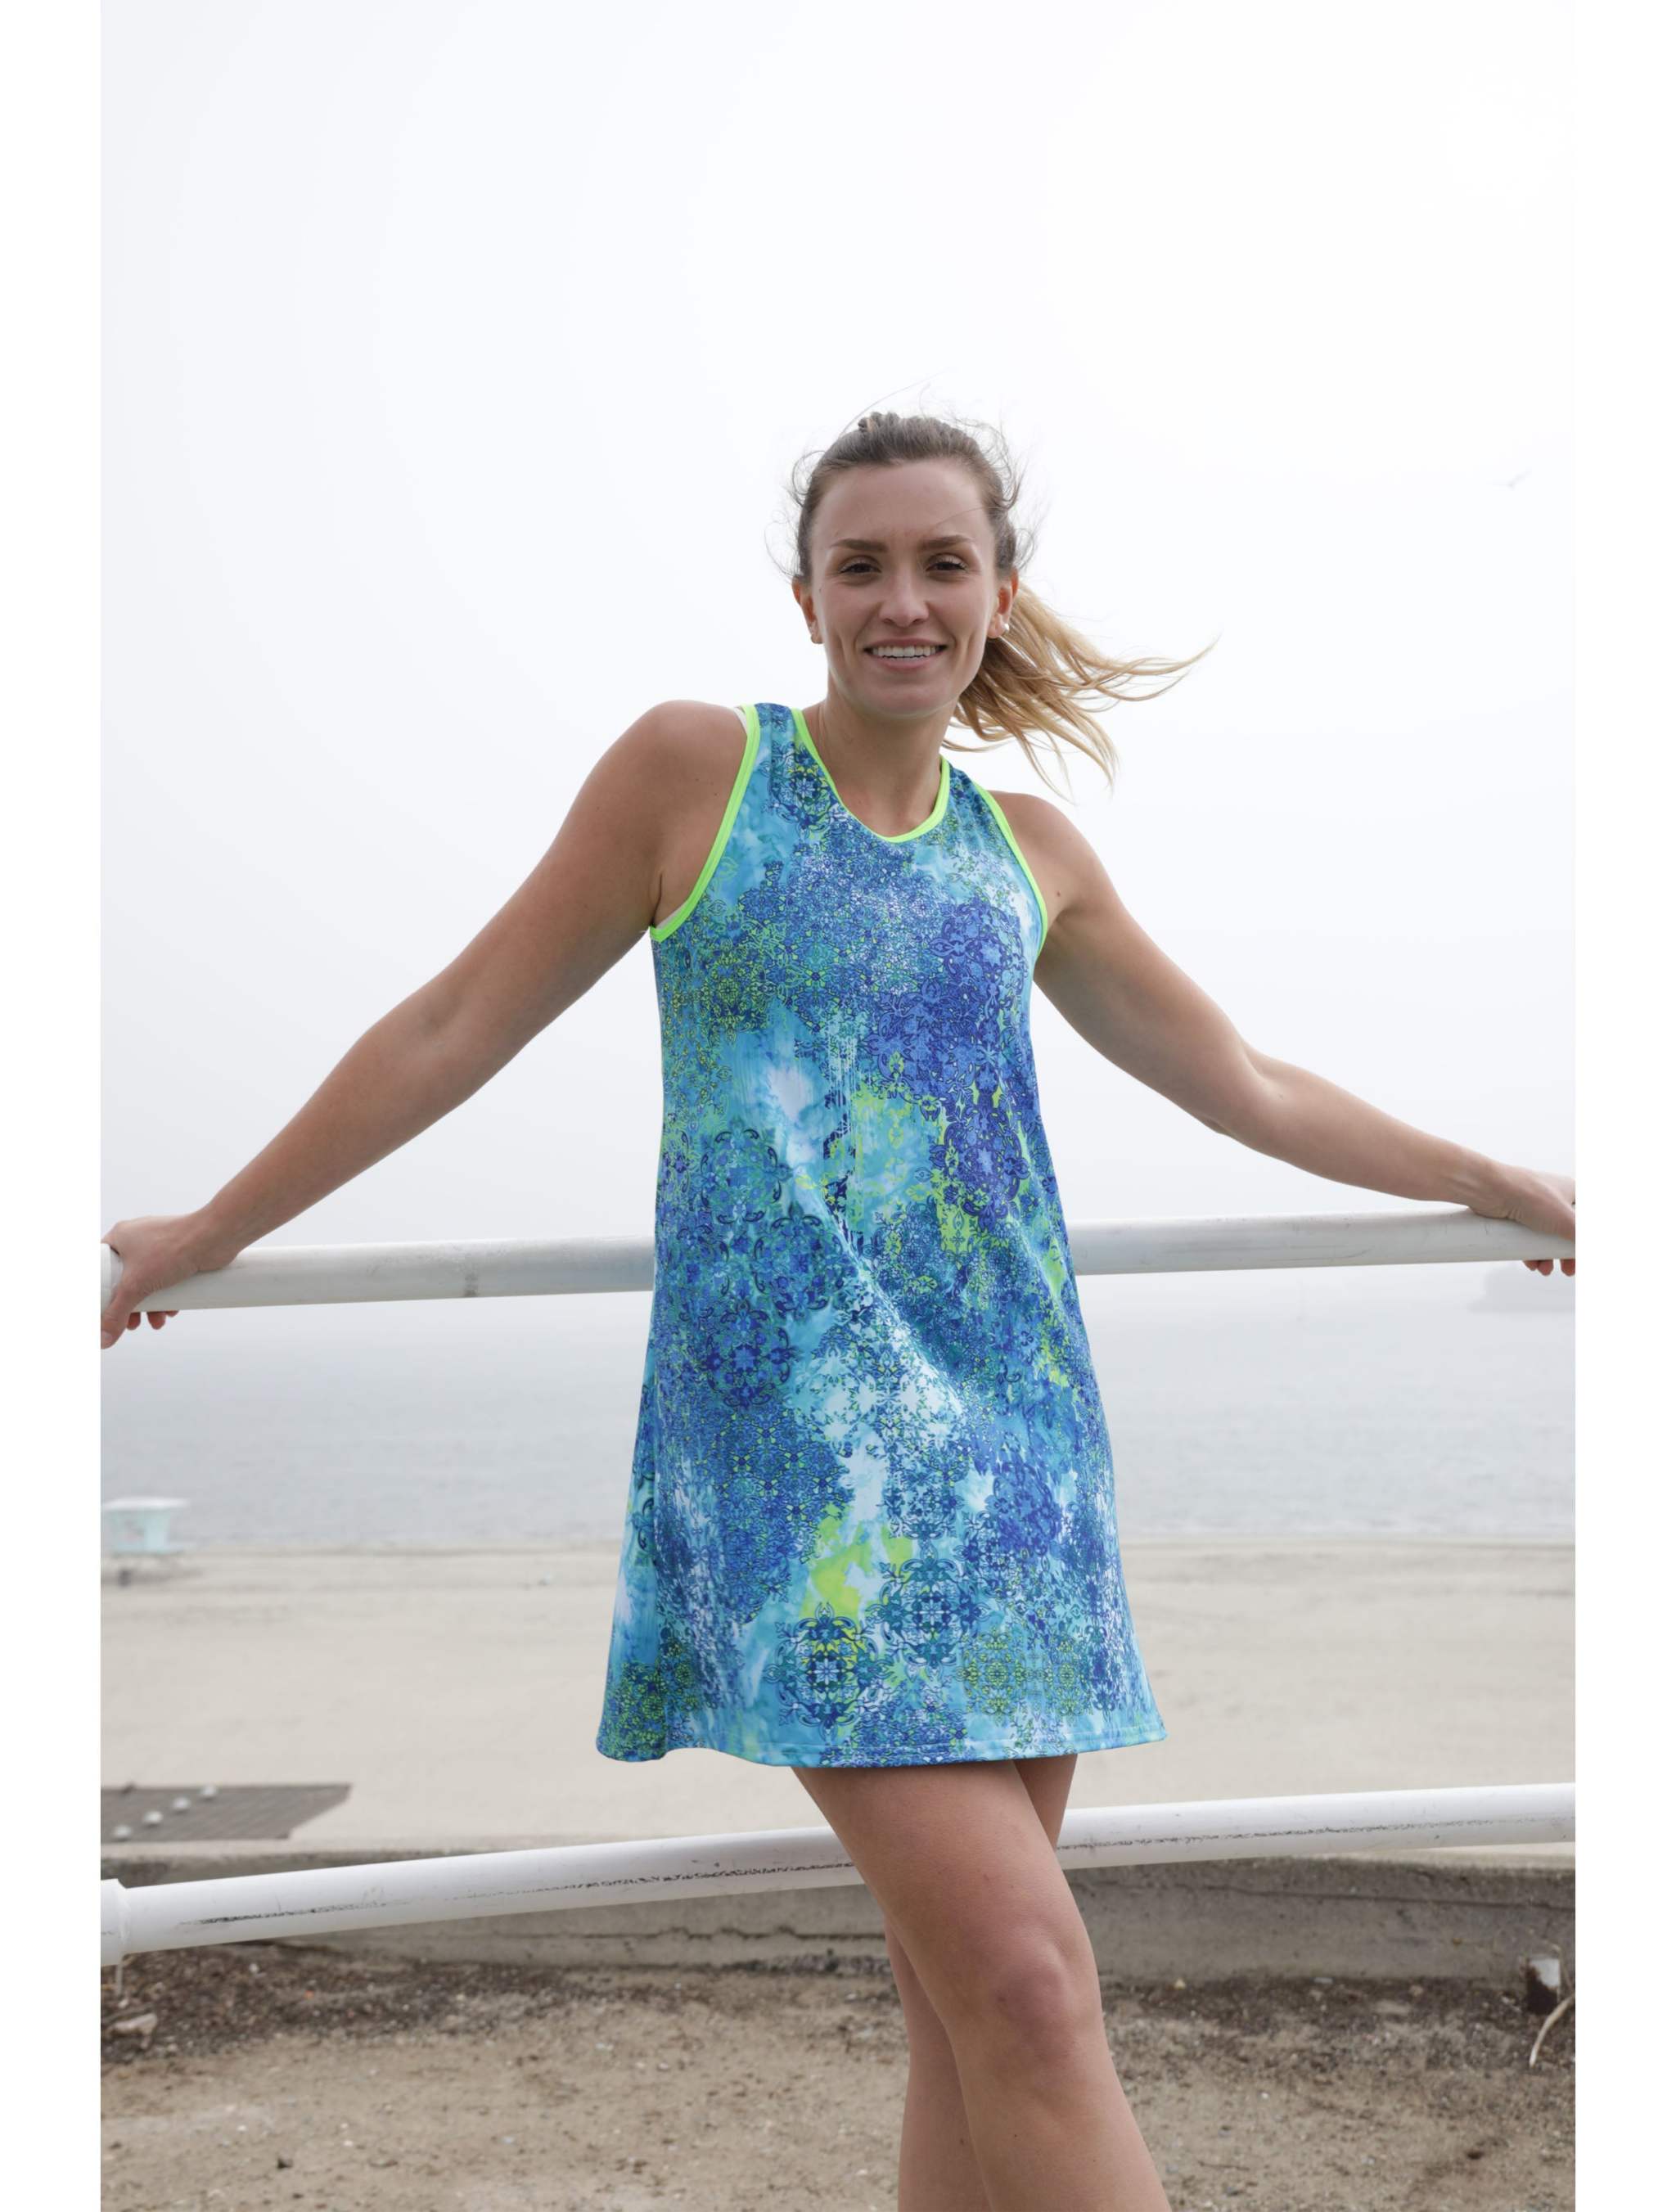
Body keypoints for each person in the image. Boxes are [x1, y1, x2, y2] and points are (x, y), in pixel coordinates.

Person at [101, 407, 1576, 2210]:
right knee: (1032, 1984)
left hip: (1014, 1459)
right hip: (803, 1477)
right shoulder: (692, 772)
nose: (901, 599)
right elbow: (447, 1029)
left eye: (940, 563)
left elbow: (1246, 1081)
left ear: (999, 594)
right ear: (800, 593)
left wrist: (1498, 1179)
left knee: (971, 2007)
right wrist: (205, 1227)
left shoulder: (1026, 849)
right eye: (861, 563)